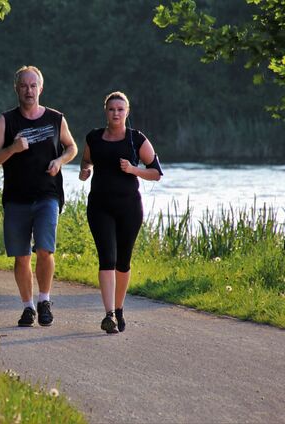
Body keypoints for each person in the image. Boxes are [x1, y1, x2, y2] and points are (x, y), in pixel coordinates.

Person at [0, 65, 78, 327]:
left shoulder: (55, 118)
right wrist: (12, 148)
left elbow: (71, 147)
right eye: (24, 85)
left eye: (33, 85)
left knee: (45, 250)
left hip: (48, 194)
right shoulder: (6, 121)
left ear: (41, 88)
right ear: (16, 88)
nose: (29, 90)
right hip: (16, 198)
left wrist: (60, 160)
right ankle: (27, 307)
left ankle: (44, 300)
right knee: (21, 256)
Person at [79, 91, 163, 334]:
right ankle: (108, 316)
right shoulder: (94, 138)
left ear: (127, 112)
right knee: (107, 258)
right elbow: (86, 161)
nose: (116, 113)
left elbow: (156, 173)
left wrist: (133, 170)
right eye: (111, 109)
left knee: (123, 262)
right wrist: (85, 171)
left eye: (120, 109)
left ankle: (119, 309)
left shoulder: (136, 139)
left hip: (129, 208)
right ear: (105, 111)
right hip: (99, 206)